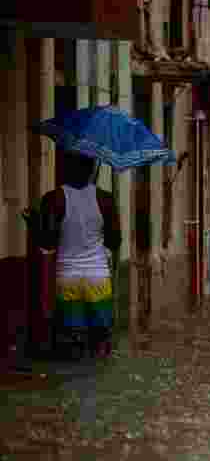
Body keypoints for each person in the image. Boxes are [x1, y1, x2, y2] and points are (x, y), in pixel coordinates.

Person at [38, 151, 121, 360]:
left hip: (67, 277)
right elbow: (114, 241)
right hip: (98, 277)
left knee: (71, 341)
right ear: (92, 168)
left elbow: (46, 241)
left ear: (65, 168)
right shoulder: (106, 200)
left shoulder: (53, 198)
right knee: (101, 341)